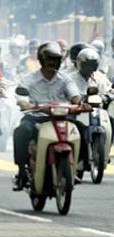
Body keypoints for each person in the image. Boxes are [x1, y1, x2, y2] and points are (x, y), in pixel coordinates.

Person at [12, 41, 87, 191]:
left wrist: (80, 104)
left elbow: (75, 96)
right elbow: (21, 95)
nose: (52, 63)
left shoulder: (65, 79)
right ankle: (21, 171)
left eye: (56, 59)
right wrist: (25, 104)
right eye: (49, 59)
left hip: (61, 118)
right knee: (21, 132)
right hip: (35, 117)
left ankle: (78, 169)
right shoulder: (29, 79)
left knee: (82, 130)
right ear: (41, 60)